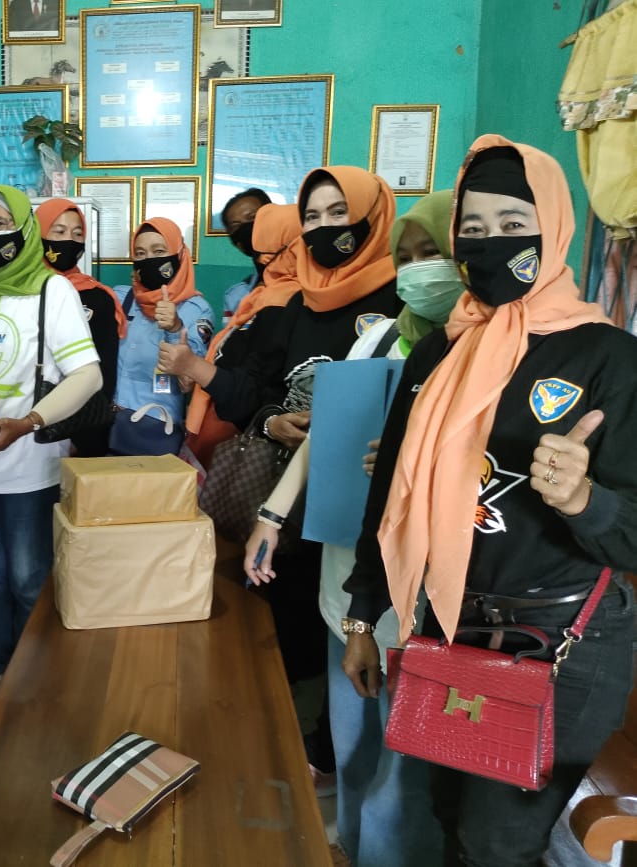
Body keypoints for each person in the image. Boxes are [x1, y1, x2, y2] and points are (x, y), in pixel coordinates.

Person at [342, 136, 637, 867]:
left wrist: (585, 499)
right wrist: (362, 616)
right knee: (448, 815)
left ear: (553, 228)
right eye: (472, 228)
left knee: (497, 843)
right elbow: (391, 493)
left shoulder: (607, 357)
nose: (490, 243)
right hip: (450, 627)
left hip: (563, 640)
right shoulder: (439, 352)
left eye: (513, 224)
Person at [166, 166, 403, 784]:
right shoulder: (300, 304)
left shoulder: (405, 300)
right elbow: (260, 389)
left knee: (362, 621)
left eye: (339, 214)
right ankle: (301, 736)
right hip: (291, 492)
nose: (325, 229)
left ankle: (339, 755)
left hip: (369, 500)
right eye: (313, 217)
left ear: (372, 218)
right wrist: (273, 420)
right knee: (296, 614)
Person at [242, 189, 458, 865]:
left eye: (434, 254)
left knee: (407, 771)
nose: (419, 271)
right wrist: (273, 513)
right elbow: (326, 431)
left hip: (432, 598)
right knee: (354, 740)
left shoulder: (491, 354)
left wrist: (410, 465)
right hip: (349, 579)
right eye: (408, 257)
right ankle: (352, 847)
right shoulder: (379, 336)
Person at [0, 185, 102, 710]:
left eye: (0, 223)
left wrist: (28, 422)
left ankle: (36, 673)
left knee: (30, 579)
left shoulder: (52, 291)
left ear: (25, 229)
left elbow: (88, 377)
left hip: (30, 468)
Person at [181, 203, 303, 467]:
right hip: (221, 419)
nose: (260, 255)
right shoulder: (262, 294)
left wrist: (194, 366)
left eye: (265, 241)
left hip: (242, 433)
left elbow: (254, 384)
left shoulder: (284, 302)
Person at [111, 218, 214, 456]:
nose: (149, 260)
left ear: (179, 255)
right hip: (110, 424)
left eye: (159, 251)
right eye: (140, 253)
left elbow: (189, 380)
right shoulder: (121, 298)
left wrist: (175, 328)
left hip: (155, 427)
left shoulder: (197, 310)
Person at [37, 197, 126, 457]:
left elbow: (104, 373)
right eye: (59, 231)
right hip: (27, 424)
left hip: (82, 427)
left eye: (77, 234)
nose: (70, 241)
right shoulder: (21, 292)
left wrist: (83, 432)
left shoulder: (98, 297)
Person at [219, 187, 272, 321]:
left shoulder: (308, 281)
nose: (247, 228)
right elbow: (229, 334)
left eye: (253, 218)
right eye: (236, 226)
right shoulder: (235, 296)